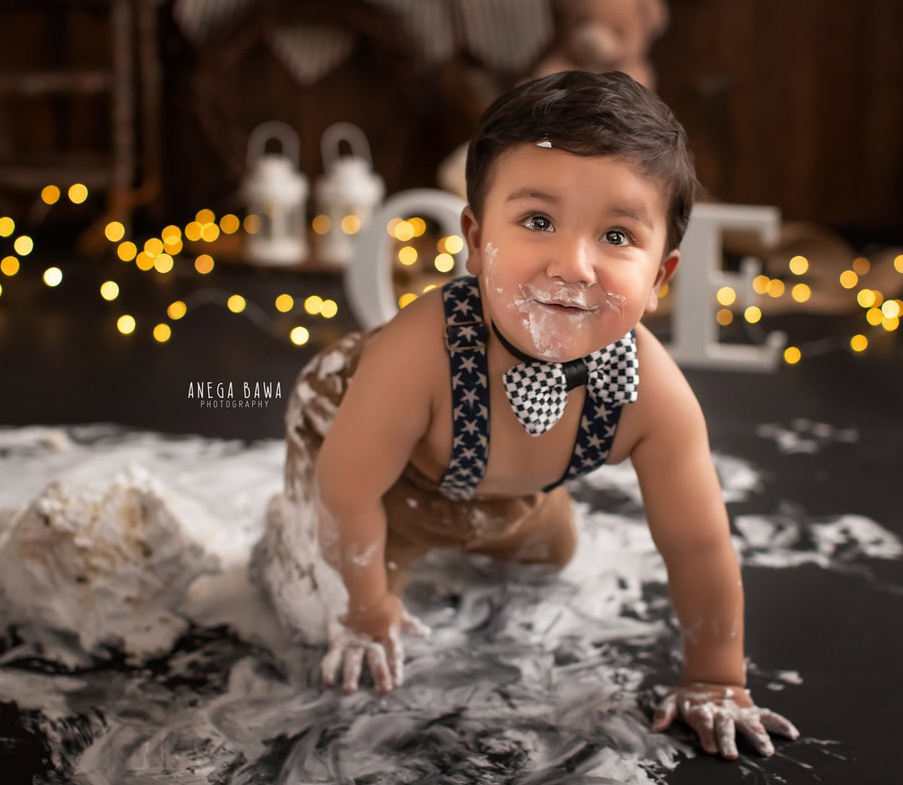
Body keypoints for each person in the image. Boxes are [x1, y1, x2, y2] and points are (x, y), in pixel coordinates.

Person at [274, 70, 799, 761]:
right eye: (538, 221)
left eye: (617, 235)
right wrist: (367, 606)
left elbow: (698, 545)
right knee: (323, 617)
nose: (574, 265)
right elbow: (348, 487)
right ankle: (285, 537)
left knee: (553, 557)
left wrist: (716, 677)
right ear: (476, 236)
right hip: (371, 463)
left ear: (660, 278)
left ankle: (496, 515)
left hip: (503, 486)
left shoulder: (652, 395)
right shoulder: (418, 353)